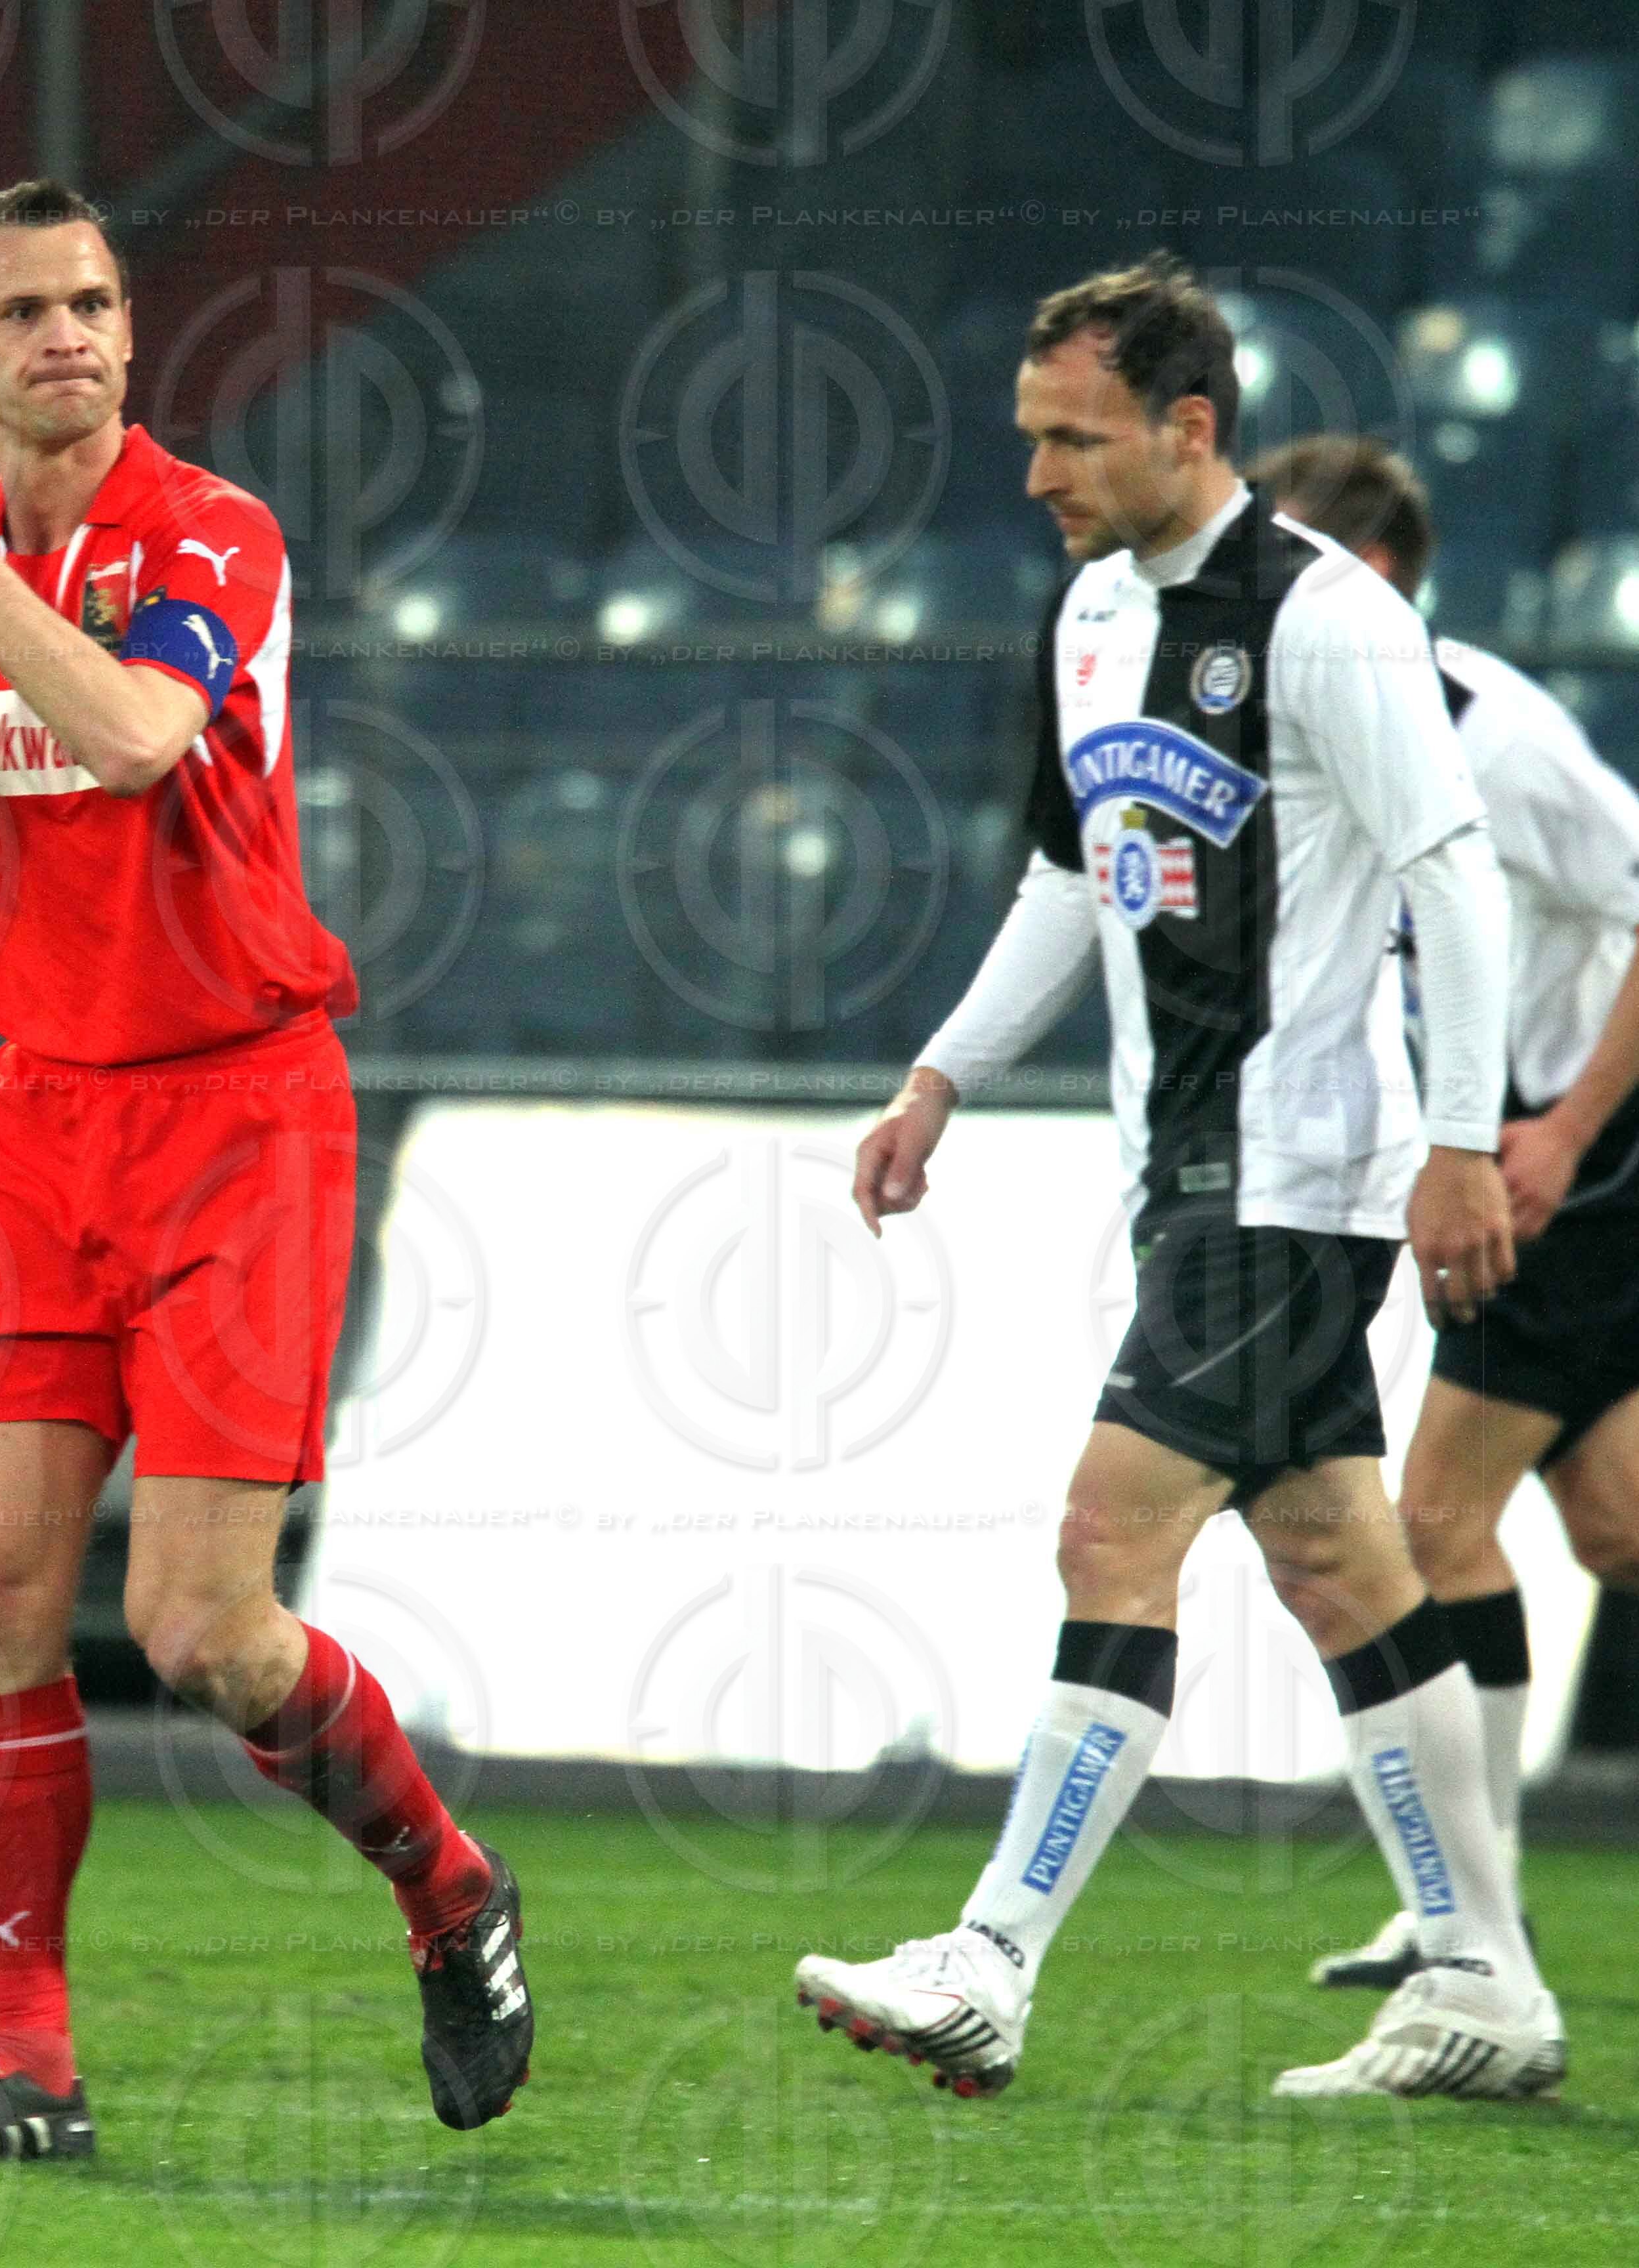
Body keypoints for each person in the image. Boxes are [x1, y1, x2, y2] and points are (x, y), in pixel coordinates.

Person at [0, 179, 531, 2162]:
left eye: (93, 302)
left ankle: (449, 1891)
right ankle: (30, 2069)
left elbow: (124, 736)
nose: (69, 338)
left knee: (206, 1634)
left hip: (237, 1114)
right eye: (23, 312)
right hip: (43, 1120)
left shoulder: (211, 529)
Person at [796, 257, 1561, 2100]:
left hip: (1302, 1173)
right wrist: (941, 1076)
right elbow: (1072, 880)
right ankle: (1483, 1976)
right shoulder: (1085, 620)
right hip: (1186, 1167)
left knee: (1109, 1526)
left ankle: (991, 1954)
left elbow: (1451, 875)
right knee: (1333, 1561)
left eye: (1075, 437)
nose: (1041, 473)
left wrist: (1462, 1139)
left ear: (1188, 426)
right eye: (1031, 436)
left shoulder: (1328, 619)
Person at [1250, 433, 1639, 1994]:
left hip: (1580, 1163)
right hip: (1532, 1152)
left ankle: (1465, 1917)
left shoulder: (1505, 737)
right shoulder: (1349, 741)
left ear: (1378, 583)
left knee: (1434, 1523)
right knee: (1613, 1527)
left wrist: (1558, 1131)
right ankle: (1464, 1911)